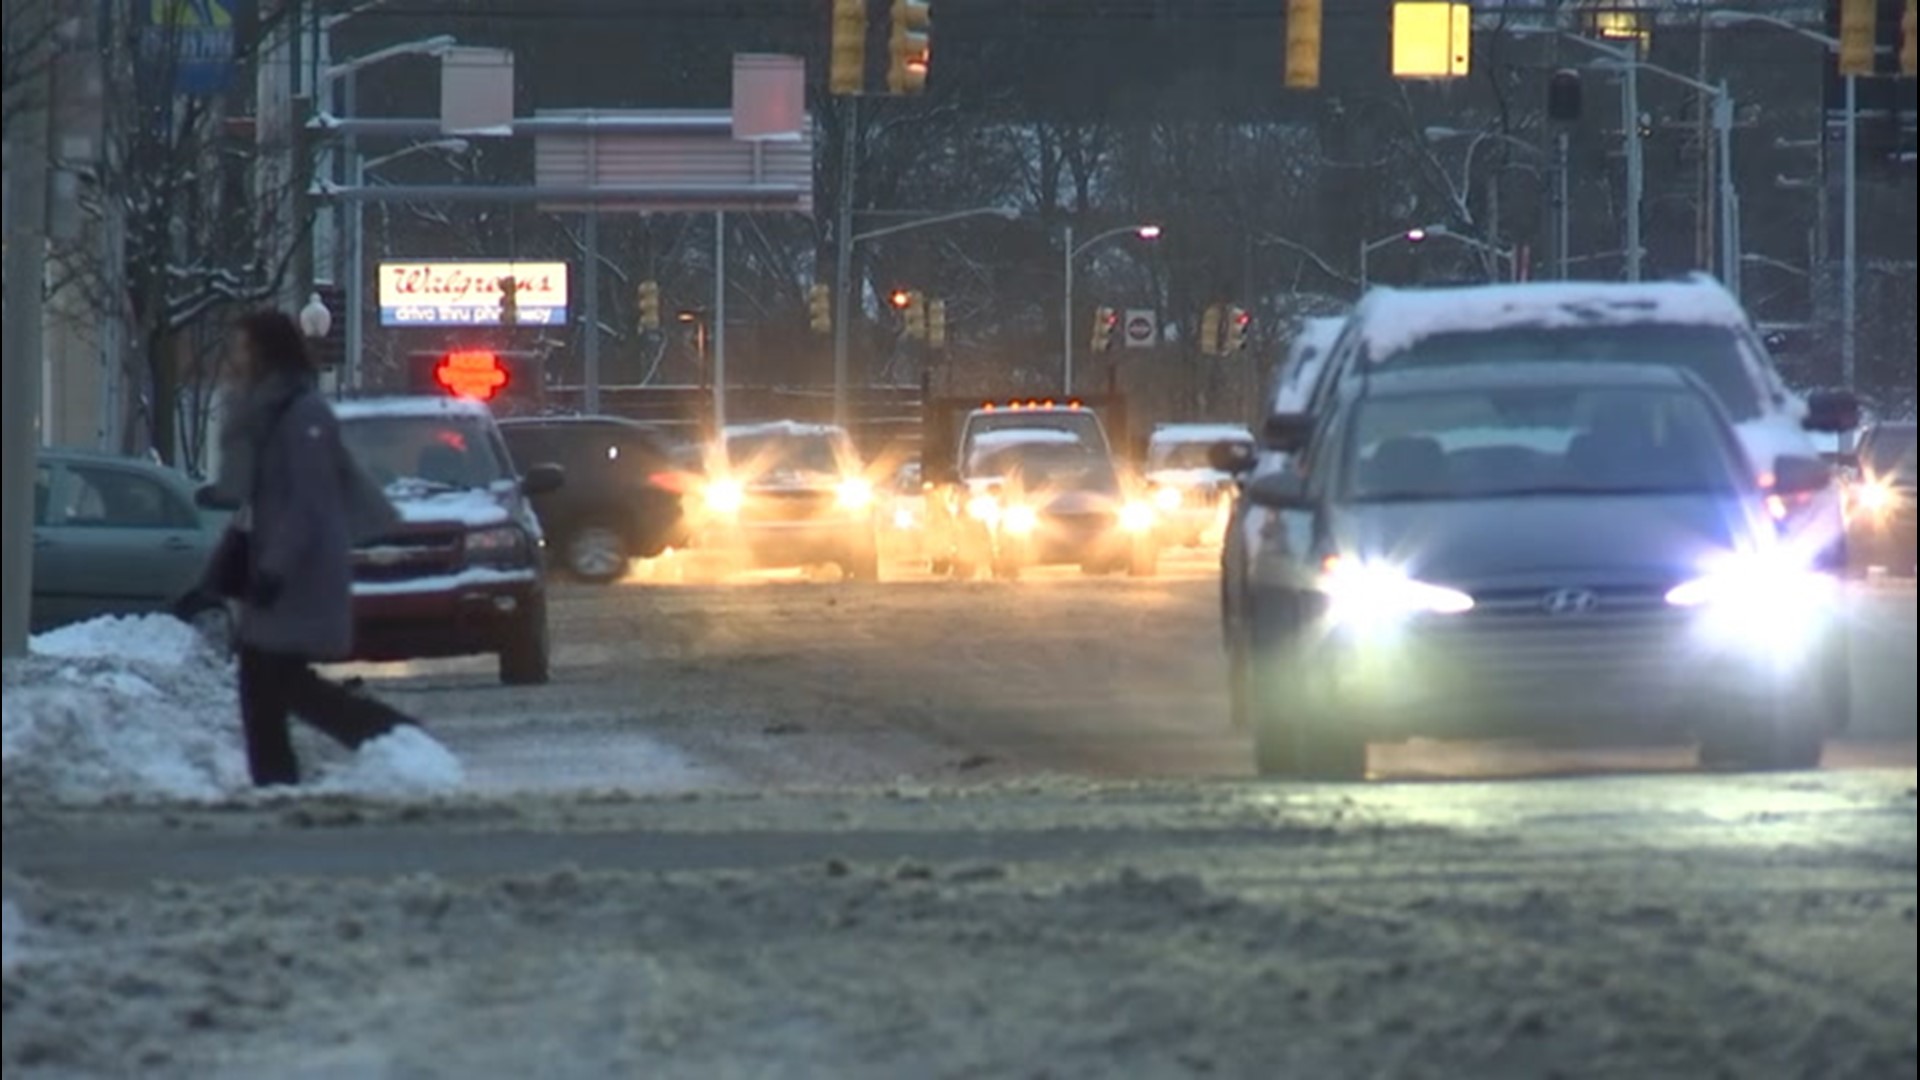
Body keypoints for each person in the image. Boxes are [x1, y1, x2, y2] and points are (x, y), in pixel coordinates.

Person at [209, 309, 416, 787]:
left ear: (265, 351)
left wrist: (273, 571)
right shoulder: (264, 410)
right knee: (270, 684)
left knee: (278, 683)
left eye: (242, 347)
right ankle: (281, 780)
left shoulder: (303, 413)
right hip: (277, 570)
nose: (235, 358)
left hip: (297, 574)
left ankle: (390, 736)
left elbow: (310, 503)